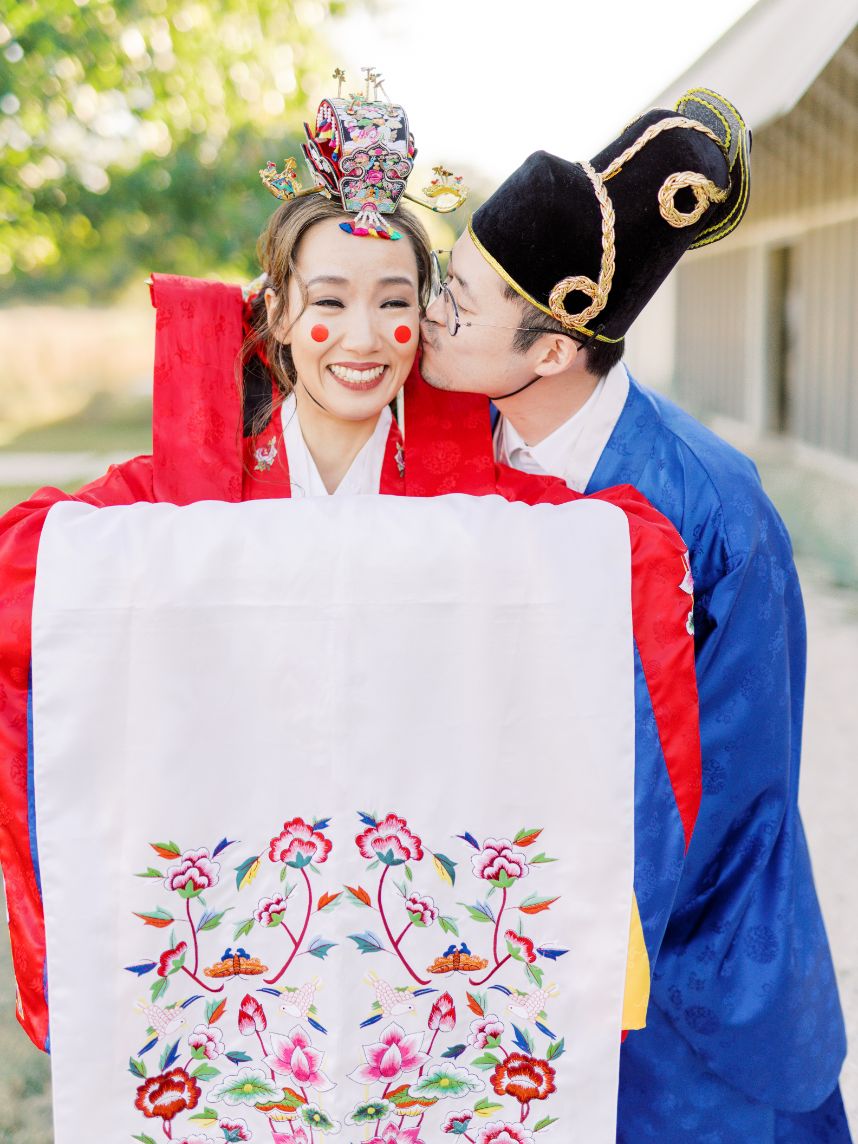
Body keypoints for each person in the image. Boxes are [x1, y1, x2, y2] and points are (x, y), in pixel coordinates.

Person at [0, 82, 704, 1123]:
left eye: (393, 301)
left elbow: (634, 563)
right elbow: (28, 578)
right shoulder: (185, 496)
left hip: (412, 918)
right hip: (249, 912)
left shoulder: (486, 501)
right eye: (328, 300)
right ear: (276, 312)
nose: (361, 335)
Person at [420, 87, 852, 1140]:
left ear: (554, 347)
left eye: (459, 302)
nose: (429, 312)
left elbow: (740, 793)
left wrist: (566, 946)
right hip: (498, 958)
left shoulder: (715, 509)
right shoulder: (450, 453)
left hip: (686, 977)